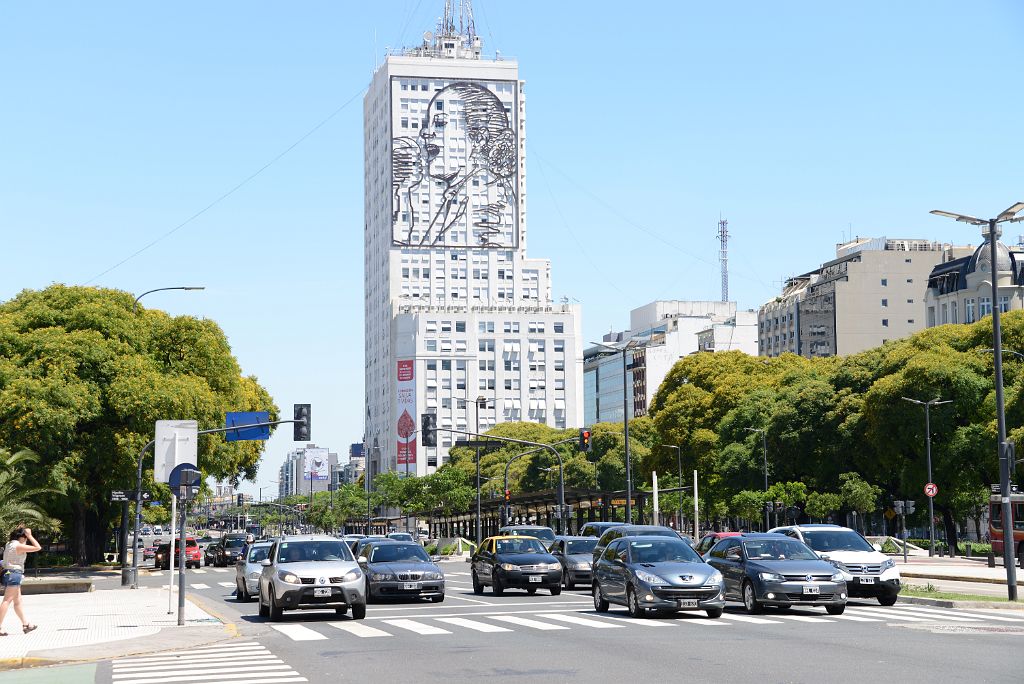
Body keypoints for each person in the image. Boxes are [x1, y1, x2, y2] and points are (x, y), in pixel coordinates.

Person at [1, 526, 41, 635]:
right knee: (7, 600)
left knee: (18, 601)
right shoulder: (18, 546)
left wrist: (23, 531)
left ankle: (26, 624)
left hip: (9, 573)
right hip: (14, 574)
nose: (26, 540)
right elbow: (38, 547)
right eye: (25, 538)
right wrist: (30, 535)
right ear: (22, 537)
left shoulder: (9, 544)